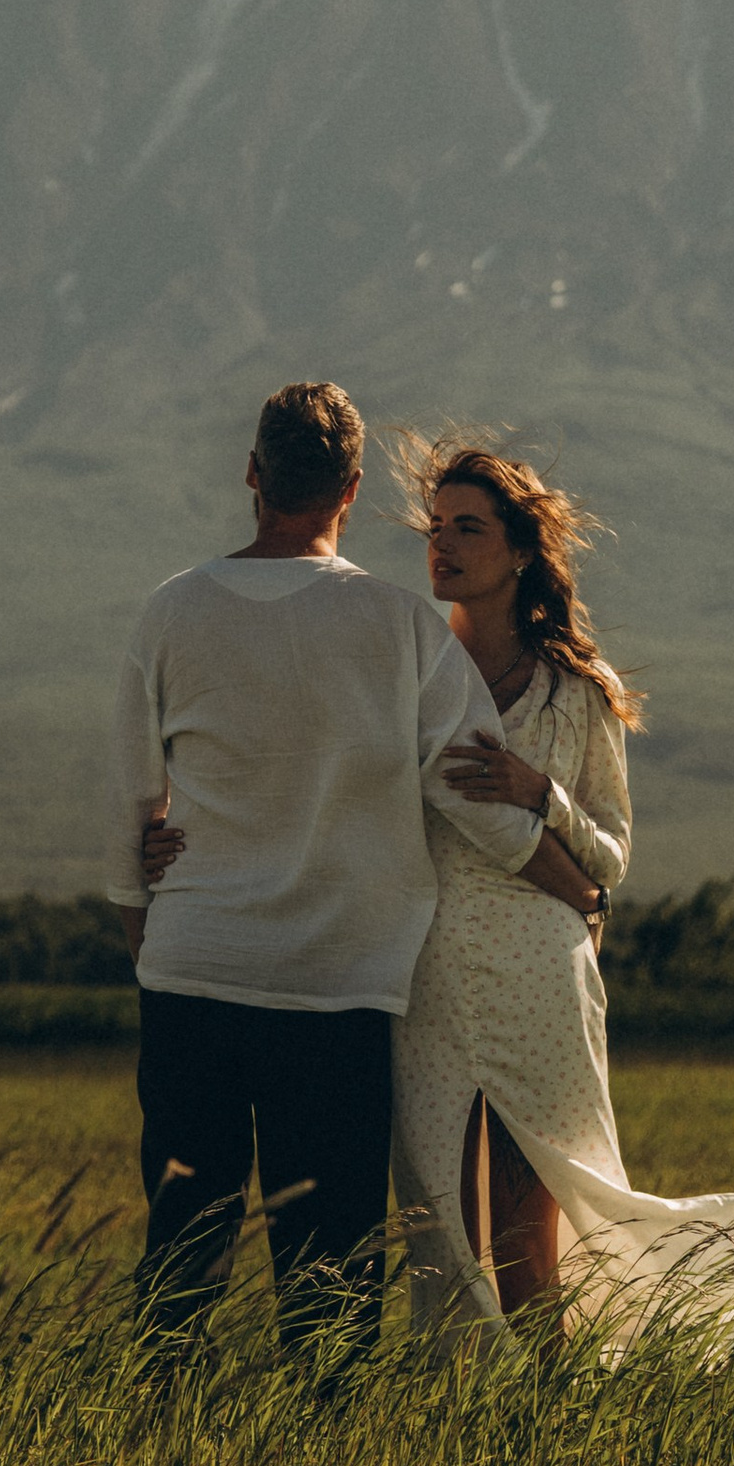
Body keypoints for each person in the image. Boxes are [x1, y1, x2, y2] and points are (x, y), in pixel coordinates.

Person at [104, 379, 608, 1357]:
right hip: (337, 991)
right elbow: (473, 796)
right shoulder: (400, 626)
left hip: (192, 971)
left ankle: (158, 1441)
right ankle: (318, 1441)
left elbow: (126, 813)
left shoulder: (171, 611)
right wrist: (573, 885)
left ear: (252, 475)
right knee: (330, 1259)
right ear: (353, 487)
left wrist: (149, 945)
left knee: (183, 1237)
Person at [390, 434, 734, 1358]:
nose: (443, 545)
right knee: (438, 1209)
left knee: (535, 1201)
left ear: (520, 551)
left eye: (468, 528)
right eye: (435, 527)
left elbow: (610, 858)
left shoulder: (577, 695)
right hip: (429, 973)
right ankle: (453, 1406)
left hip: (539, 979)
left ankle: (551, 1392)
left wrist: (541, 793)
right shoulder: (407, 675)